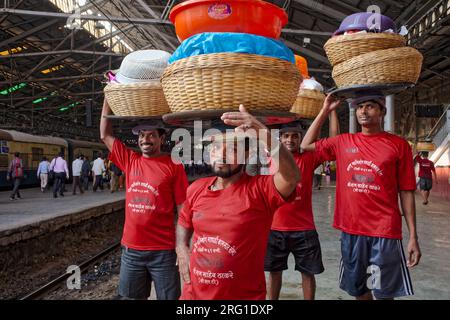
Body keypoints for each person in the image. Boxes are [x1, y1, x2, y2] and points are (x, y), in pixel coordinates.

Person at [301, 94, 421, 300]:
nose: (363, 112)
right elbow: (305, 145)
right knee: (360, 290)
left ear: (382, 111)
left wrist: (413, 237)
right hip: (352, 230)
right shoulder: (343, 141)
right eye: (360, 107)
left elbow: (407, 191)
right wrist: (325, 111)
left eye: (370, 107)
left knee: (383, 292)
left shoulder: (399, 145)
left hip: (384, 230)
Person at [176, 105, 300, 300]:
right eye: (216, 147)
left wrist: (264, 134)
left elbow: (291, 177)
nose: (221, 155)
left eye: (233, 148)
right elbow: (184, 222)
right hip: (193, 297)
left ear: (248, 154)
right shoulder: (196, 189)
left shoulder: (260, 190)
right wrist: (181, 246)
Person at [100, 99, 189, 300]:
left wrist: (182, 245)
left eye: (150, 135)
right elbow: (105, 135)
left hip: (164, 252)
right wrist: (107, 99)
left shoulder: (173, 166)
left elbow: (182, 207)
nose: (145, 140)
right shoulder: (130, 160)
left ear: (162, 138)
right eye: (141, 135)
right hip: (132, 251)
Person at [265, 114, 338, 301]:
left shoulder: (309, 157)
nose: (290, 140)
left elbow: (333, 142)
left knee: (308, 273)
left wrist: (330, 112)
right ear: (279, 139)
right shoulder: (270, 157)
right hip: (273, 228)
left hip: (304, 229)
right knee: (274, 273)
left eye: (295, 136)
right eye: (286, 136)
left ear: (300, 138)